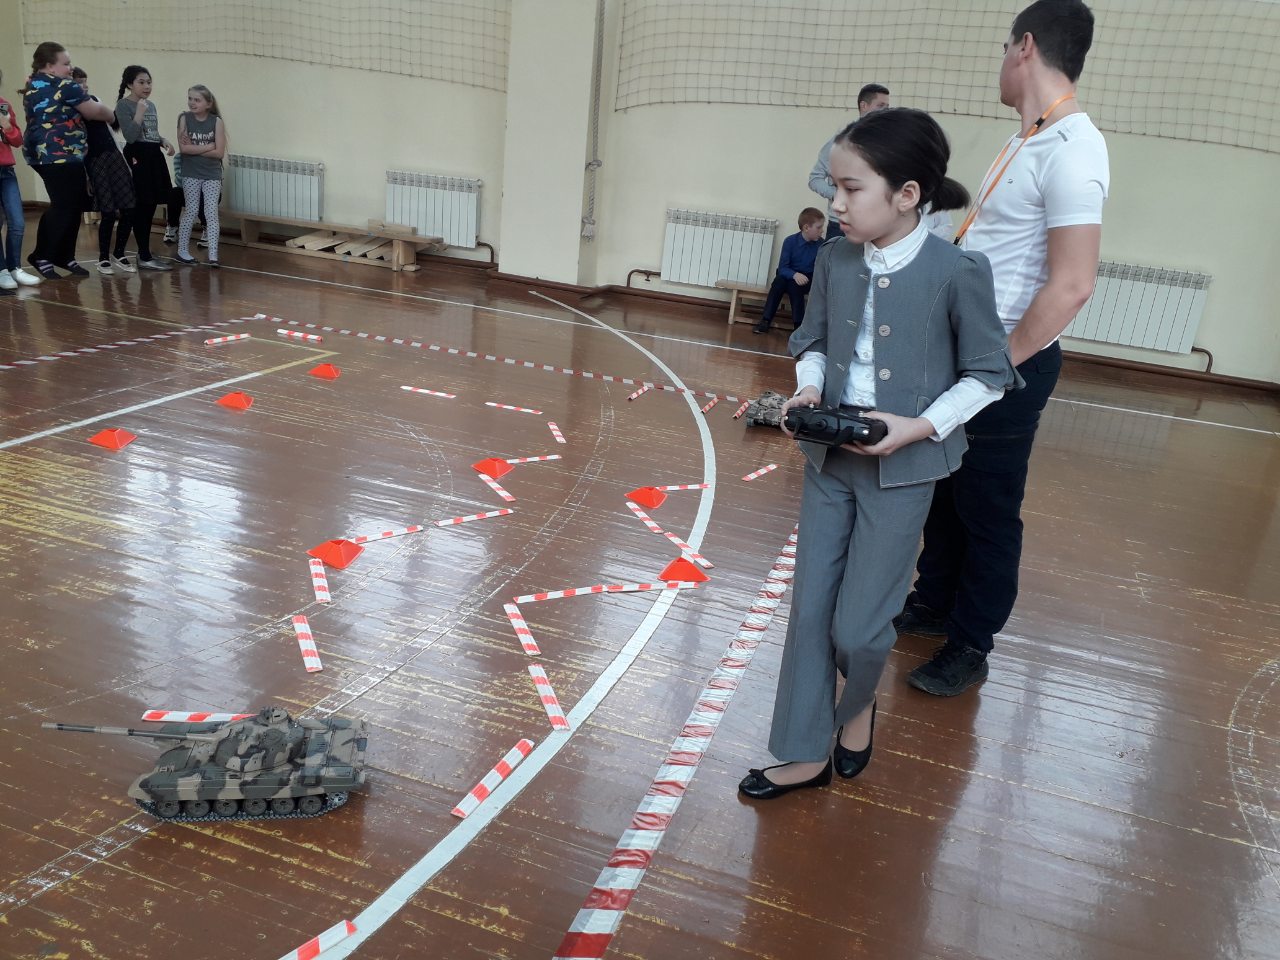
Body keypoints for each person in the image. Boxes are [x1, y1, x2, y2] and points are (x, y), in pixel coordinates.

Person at [738, 108, 1021, 800]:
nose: (835, 204)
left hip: (903, 472)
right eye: (835, 188)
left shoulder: (958, 270)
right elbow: (811, 340)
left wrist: (919, 427)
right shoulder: (834, 258)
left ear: (907, 194)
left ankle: (858, 702)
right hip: (828, 459)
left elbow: (989, 375)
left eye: (851, 188)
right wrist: (808, 390)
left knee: (861, 630)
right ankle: (804, 752)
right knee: (810, 611)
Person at [897, 0, 1109, 697]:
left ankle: (971, 642)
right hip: (973, 355)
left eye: (1002, 47)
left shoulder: (1074, 148)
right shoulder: (1025, 140)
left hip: (1007, 364)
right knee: (946, 493)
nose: (1000, 61)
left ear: (1025, 47)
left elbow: (1072, 284)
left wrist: (996, 364)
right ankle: (934, 603)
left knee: (986, 506)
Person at [20, 42, 115, 279]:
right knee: (64, 206)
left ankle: (64, 255)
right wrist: (113, 116)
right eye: (66, 63)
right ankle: (42, 255)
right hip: (59, 155)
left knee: (71, 204)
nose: (70, 68)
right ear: (50, 66)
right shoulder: (65, 85)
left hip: (41, 155)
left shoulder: (32, 84)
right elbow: (93, 111)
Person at [70, 67, 136, 276]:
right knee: (107, 212)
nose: (84, 86)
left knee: (129, 207)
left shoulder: (94, 100)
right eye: (79, 82)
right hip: (94, 161)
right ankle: (103, 258)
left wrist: (124, 162)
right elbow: (77, 143)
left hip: (113, 156)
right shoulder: (70, 110)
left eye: (85, 81)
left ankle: (119, 252)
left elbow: (111, 129)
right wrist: (86, 176)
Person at [808, 83, 891, 240]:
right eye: (880, 106)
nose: (885, 111)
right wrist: (840, 195)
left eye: (887, 107)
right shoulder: (841, 141)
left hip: (875, 224)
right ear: (864, 106)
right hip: (842, 224)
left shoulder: (888, 144)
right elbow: (815, 179)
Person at [114, 65, 174, 271]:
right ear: (130, 84)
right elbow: (131, 136)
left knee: (151, 205)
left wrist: (162, 140)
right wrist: (139, 112)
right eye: (141, 82)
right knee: (141, 204)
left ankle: (144, 253)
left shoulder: (151, 105)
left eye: (149, 82)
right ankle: (143, 254)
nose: (147, 86)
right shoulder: (123, 105)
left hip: (153, 155)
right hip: (137, 155)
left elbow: (150, 133)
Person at [0, 69, 43, 292]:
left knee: (17, 222)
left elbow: (17, 140)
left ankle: (15, 267)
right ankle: (2, 270)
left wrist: (7, 127)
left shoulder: (4, 105)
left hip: (6, 170)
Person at [174, 84, 225, 267]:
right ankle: (182, 251)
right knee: (191, 210)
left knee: (211, 213)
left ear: (208, 104)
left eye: (197, 100)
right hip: (191, 174)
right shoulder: (184, 118)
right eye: (190, 99)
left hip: (212, 174)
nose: (192, 103)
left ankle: (213, 255)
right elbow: (184, 149)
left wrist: (195, 148)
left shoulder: (216, 122)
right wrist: (208, 146)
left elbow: (219, 153)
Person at [752, 207, 825, 335]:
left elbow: (820, 269)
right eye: (819, 227)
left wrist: (802, 277)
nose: (822, 230)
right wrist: (794, 275)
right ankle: (765, 320)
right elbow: (783, 267)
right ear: (806, 228)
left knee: (795, 286)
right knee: (778, 282)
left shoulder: (821, 245)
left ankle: (798, 325)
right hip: (789, 274)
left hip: (807, 277)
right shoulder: (790, 241)